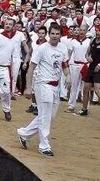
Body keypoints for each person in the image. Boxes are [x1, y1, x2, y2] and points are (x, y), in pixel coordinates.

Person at [17, 23, 69, 156]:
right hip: (43, 84)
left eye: (57, 34)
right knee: (45, 116)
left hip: (56, 86)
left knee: (49, 117)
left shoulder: (63, 48)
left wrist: (68, 75)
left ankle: (24, 133)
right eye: (52, 34)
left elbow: (64, 65)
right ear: (48, 34)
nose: (55, 36)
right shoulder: (41, 49)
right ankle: (44, 146)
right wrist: (28, 88)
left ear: (60, 35)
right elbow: (31, 68)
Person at [0, 18, 27, 121]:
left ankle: (6, 109)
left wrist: (27, 55)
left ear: (13, 26)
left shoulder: (16, 37)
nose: (8, 25)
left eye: (10, 24)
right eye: (6, 24)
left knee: (5, 91)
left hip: (4, 68)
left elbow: (23, 45)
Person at [77, 24, 100, 118]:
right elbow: (87, 53)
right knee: (86, 89)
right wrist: (87, 57)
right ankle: (84, 109)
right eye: (96, 30)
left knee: (97, 91)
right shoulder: (92, 40)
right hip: (91, 67)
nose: (98, 32)